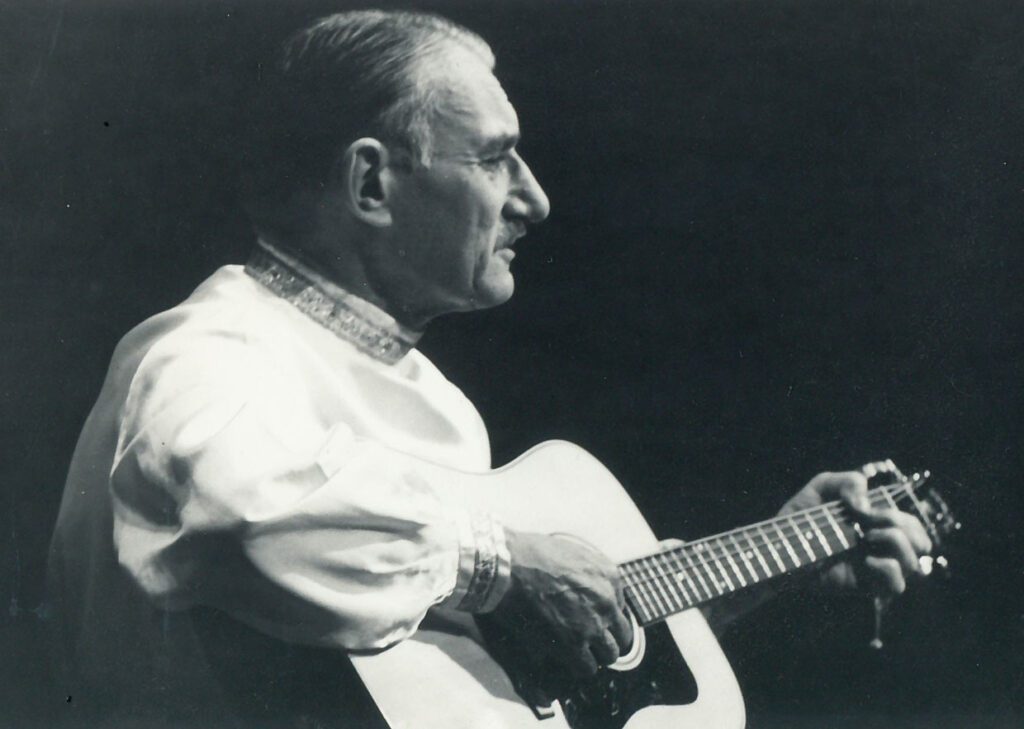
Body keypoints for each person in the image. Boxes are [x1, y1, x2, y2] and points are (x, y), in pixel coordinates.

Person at [47, 9, 933, 728]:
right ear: (370, 185)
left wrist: (773, 558)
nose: (534, 200)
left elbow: (472, 651)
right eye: (493, 156)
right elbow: (241, 507)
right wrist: (501, 568)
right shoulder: (205, 351)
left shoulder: (436, 402)